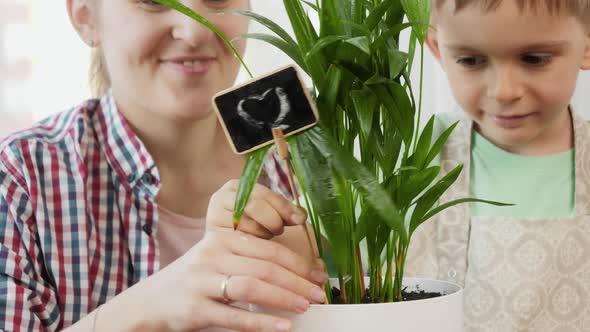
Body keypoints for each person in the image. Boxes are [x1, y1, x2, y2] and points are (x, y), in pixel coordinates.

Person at [0, 0, 327, 331]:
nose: (195, 31)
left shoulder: (319, 168)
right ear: (85, 15)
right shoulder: (18, 179)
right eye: (153, 1)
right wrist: (148, 308)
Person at [405, 0, 590, 331]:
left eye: (534, 59)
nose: (504, 92)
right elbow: (315, 243)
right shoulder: (409, 155)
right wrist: (282, 234)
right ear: (437, 47)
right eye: (471, 60)